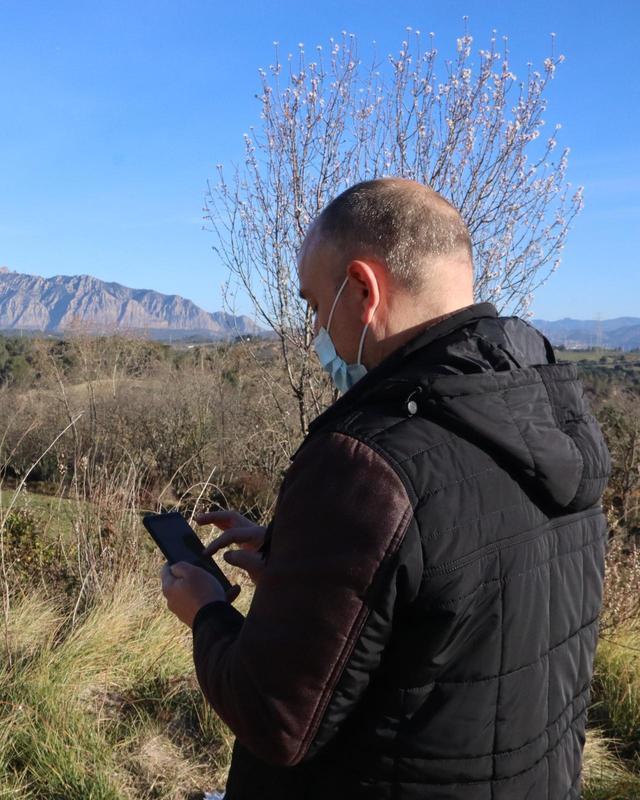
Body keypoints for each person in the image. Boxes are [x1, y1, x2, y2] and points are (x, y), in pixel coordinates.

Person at [161, 178, 611, 798]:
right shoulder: (550, 421)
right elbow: (455, 589)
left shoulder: (367, 461)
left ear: (364, 291)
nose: (317, 329)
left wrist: (206, 610)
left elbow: (275, 717)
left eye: (317, 305)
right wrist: (303, 561)